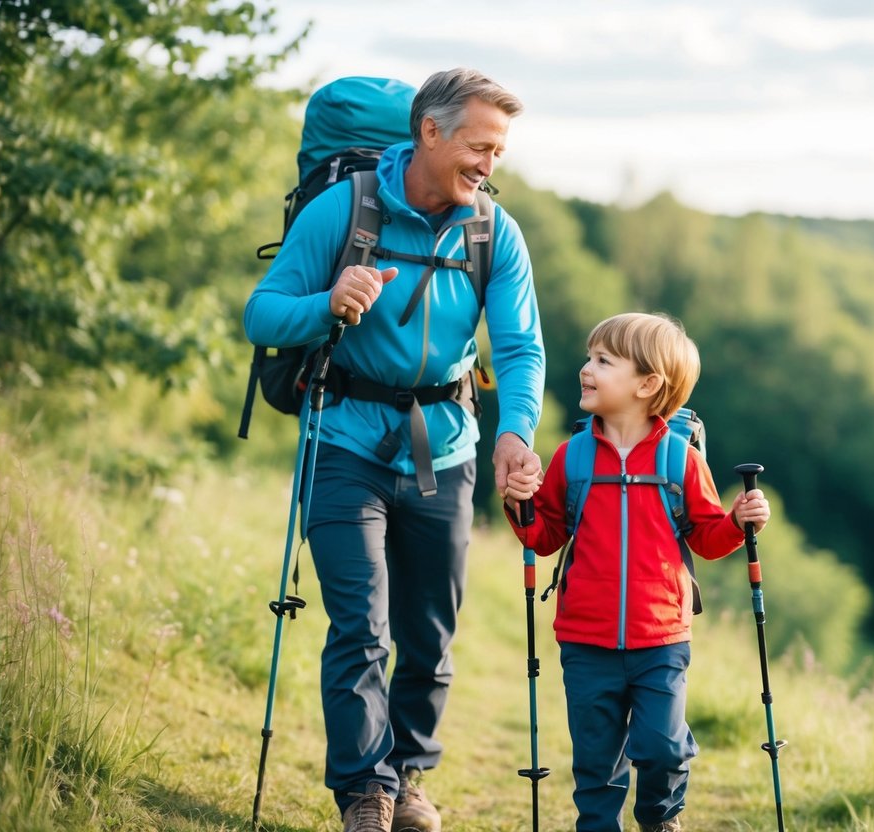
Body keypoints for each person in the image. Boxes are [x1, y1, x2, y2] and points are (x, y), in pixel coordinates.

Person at [244, 68, 545, 832]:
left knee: (428, 632)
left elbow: (518, 348)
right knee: (361, 624)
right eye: (479, 146)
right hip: (343, 440)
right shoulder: (343, 211)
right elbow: (263, 313)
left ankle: (409, 776)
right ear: (429, 132)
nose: (488, 165)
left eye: (499, 152)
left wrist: (515, 431)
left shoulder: (492, 232)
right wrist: (326, 303)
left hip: (445, 451)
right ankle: (365, 793)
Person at [503, 312, 770, 832]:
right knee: (597, 765)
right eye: (588, 357)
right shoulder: (572, 456)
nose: (586, 368)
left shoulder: (680, 460)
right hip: (585, 641)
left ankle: (659, 818)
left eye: (603, 361)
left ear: (648, 384)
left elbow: (708, 538)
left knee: (663, 748)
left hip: (661, 640)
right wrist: (520, 505)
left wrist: (737, 521)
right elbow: (545, 535)